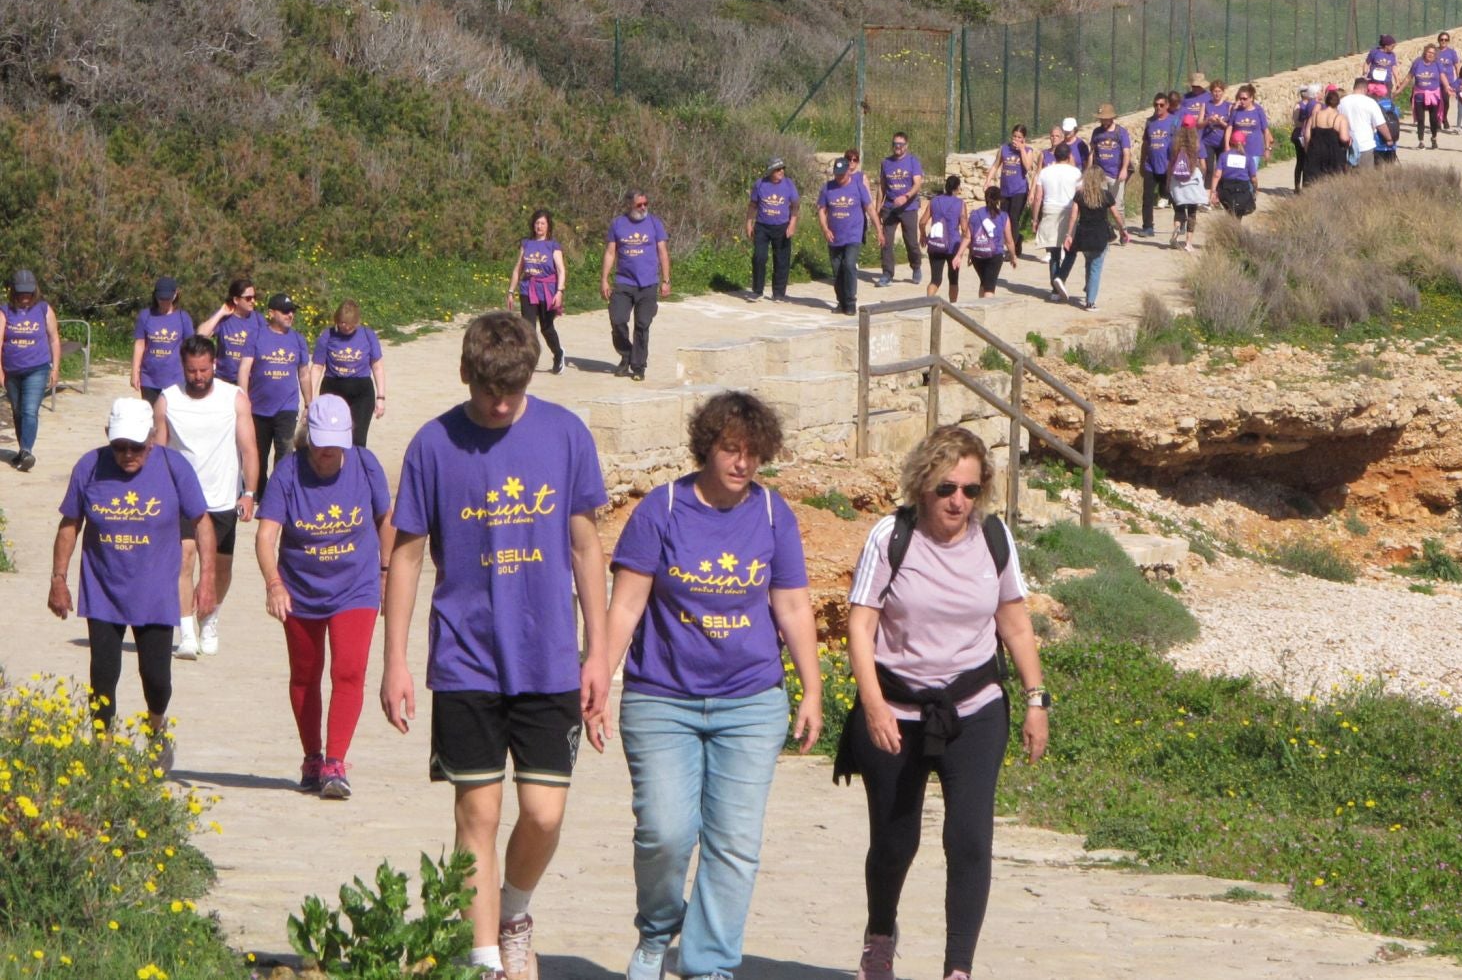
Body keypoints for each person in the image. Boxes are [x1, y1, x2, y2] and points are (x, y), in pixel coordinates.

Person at [381, 312, 611, 980]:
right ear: (467, 375)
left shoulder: (565, 435)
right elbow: (406, 557)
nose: (500, 402)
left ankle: (515, 911)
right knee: (477, 810)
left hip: (547, 657)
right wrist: (394, 661)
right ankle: (483, 960)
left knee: (542, 813)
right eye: (488, 389)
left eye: (511, 388)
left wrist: (598, 652)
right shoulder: (432, 444)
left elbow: (585, 545)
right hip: (465, 657)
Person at [604, 392, 822, 980]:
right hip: (661, 697)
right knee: (664, 832)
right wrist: (596, 676)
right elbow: (625, 605)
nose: (742, 463)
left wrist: (813, 690)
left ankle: (709, 963)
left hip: (751, 701)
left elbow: (794, 607)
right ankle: (656, 933)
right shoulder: (662, 509)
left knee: (734, 844)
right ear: (708, 446)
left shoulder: (774, 515)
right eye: (731, 448)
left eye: (753, 453)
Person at [839, 426, 1047, 980]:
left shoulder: (994, 539)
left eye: (971, 490)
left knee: (970, 839)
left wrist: (1035, 699)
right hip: (896, 713)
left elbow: (1016, 625)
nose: (958, 500)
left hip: (974, 709)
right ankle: (879, 938)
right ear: (922, 484)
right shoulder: (891, 537)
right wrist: (874, 705)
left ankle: (959, 969)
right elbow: (860, 626)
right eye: (946, 487)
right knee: (894, 841)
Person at [50, 397, 213, 771]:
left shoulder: (174, 468)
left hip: (156, 591)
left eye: (136, 447)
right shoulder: (90, 467)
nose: (127, 455)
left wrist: (208, 579)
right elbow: (70, 524)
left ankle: (156, 729)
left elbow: (202, 521)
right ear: (108, 437)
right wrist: (58, 578)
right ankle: (101, 750)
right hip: (103, 587)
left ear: (152, 439)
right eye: (119, 446)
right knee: (102, 674)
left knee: (156, 677)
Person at [256, 393, 394, 800]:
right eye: (321, 445)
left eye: (336, 445)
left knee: (348, 671)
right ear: (309, 439)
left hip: (357, 585)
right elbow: (266, 535)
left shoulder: (366, 465)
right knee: (306, 673)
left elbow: (386, 520)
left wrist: (385, 573)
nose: (328, 454)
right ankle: (312, 756)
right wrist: (273, 583)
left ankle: (336, 762)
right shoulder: (288, 473)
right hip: (300, 589)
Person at [155, 336, 259, 662]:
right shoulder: (168, 400)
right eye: (192, 371)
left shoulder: (234, 399)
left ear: (214, 364)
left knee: (220, 570)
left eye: (203, 370)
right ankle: (186, 631)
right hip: (181, 498)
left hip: (222, 497)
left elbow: (249, 449)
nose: (198, 377)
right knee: (184, 559)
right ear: (183, 368)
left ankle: (209, 619)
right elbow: (159, 452)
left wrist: (250, 493)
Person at [238, 293, 312, 487]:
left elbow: (304, 373)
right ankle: (257, 490)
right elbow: (244, 369)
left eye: (292, 312)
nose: (290, 315)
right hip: (258, 407)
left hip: (286, 407)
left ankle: (280, 490)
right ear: (271, 313)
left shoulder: (298, 339)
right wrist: (243, 398)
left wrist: (309, 403)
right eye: (285, 311)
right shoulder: (257, 335)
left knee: (285, 452)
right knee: (258, 453)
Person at [601, 190, 671, 382]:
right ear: (630, 205)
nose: (643, 207)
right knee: (617, 320)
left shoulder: (655, 223)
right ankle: (626, 354)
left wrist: (666, 280)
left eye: (645, 203)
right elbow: (610, 253)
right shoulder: (618, 224)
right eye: (639, 204)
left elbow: (662, 252)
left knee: (642, 325)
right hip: (624, 282)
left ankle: (638, 366)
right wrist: (604, 279)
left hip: (648, 284)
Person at [3, 269, 59, 472]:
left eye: (28, 292)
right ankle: (22, 450)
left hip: (38, 368)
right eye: (21, 292)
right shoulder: (5, 311)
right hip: (12, 370)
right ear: (14, 292)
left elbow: (54, 339)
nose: (25, 296)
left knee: (29, 410)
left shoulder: (44, 309)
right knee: (18, 412)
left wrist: (56, 368)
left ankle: (27, 450)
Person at [311, 300, 387, 446]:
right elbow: (317, 367)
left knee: (357, 439)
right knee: (332, 438)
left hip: (361, 391)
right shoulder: (327, 335)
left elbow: (377, 366)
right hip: (333, 388)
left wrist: (381, 397)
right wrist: (312, 397)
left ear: (357, 322)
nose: (346, 327)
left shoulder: (368, 335)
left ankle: (356, 467)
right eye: (342, 323)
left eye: (350, 324)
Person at [818, 157, 882, 317]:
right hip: (834, 236)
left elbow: (870, 208)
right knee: (837, 270)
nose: (839, 177)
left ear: (848, 171)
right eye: (837, 174)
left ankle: (851, 302)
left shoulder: (857, 186)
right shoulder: (828, 188)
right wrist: (825, 228)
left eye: (842, 174)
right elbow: (821, 210)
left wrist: (879, 230)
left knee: (849, 265)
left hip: (853, 234)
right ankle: (841, 301)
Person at [1060, 166, 1128, 311]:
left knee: (1089, 264)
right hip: (1100, 235)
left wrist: (1068, 235)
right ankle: (1090, 302)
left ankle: (1089, 290)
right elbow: (1116, 215)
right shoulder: (1106, 195)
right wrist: (1123, 230)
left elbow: (1073, 216)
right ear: (1101, 179)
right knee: (1095, 268)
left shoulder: (1079, 195)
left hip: (1083, 234)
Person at [508, 211, 567, 372]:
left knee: (546, 328)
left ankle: (558, 353)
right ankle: (529, 361)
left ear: (548, 226)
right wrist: (511, 291)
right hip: (528, 288)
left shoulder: (553, 245)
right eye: (537, 223)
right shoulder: (526, 244)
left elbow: (561, 270)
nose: (539, 226)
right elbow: (518, 269)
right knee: (528, 328)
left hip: (548, 290)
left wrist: (559, 291)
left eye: (542, 223)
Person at [1032, 143, 1082, 302]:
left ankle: (1054, 290)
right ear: (1069, 156)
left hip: (1050, 210)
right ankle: (1060, 277)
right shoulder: (1076, 172)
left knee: (1053, 253)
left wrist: (1035, 218)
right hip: (1069, 211)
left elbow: (1038, 197)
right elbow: (1080, 196)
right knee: (1071, 250)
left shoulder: (1044, 172)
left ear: (1055, 156)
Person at [746, 160, 800, 304]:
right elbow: (753, 205)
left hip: (782, 226)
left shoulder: (789, 184)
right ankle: (757, 291)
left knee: (782, 260)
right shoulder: (760, 184)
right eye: (777, 170)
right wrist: (749, 223)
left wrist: (792, 224)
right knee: (759, 257)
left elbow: (795, 206)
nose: (781, 171)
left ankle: (778, 293)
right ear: (771, 171)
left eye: (782, 169)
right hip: (762, 226)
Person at [133, 276, 193, 406]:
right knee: (152, 417)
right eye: (161, 298)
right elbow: (140, 344)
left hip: (175, 378)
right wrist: (135, 371)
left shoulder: (183, 317)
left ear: (175, 294)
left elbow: (190, 347)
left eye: (167, 298)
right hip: (149, 378)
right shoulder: (146, 315)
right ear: (155, 296)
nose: (164, 302)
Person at [877, 133, 926, 288]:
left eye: (901, 144)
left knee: (911, 242)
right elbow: (881, 187)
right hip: (890, 207)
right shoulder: (886, 163)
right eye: (895, 144)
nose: (898, 147)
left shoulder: (913, 162)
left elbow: (917, 183)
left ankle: (916, 266)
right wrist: (878, 207)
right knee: (886, 241)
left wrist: (906, 196)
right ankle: (887, 273)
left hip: (908, 207)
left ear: (906, 145)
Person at [984, 127, 1034, 258]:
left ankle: (1010, 250)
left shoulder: (1028, 150)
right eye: (1014, 136)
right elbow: (996, 165)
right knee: (1004, 218)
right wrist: (988, 181)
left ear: (1024, 139)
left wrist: (1022, 149)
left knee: (1013, 218)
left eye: (1019, 137)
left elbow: (1028, 166)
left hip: (1020, 190)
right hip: (1005, 190)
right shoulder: (1004, 149)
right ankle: (1016, 243)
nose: (1016, 139)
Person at [198, 278, 259, 385]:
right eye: (248, 298)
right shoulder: (225, 318)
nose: (253, 301)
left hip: (249, 380)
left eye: (254, 297)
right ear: (236, 300)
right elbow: (200, 335)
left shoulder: (258, 320)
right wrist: (221, 313)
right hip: (224, 379)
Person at [920, 175, 968, 304]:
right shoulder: (960, 204)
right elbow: (964, 228)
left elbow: (922, 222)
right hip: (953, 245)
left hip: (936, 243)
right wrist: (967, 244)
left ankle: (928, 303)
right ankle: (953, 306)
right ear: (957, 188)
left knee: (935, 279)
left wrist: (923, 236)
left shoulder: (934, 201)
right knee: (953, 279)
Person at [965, 187, 1017, 297]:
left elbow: (970, 237)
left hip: (977, 254)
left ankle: (980, 310)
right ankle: (987, 312)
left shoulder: (975, 214)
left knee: (984, 283)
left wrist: (970, 253)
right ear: (999, 199)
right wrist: (1013, 256)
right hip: (994, 254)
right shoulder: (1003, 216)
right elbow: (1009, 240)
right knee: (989, 289)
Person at [1137, 97, 1175, 237]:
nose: (1158, 107)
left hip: (1168, 165)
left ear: (1167, 105)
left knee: (1174, 195)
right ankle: (1147, 227)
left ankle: (1180, 223)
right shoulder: (1149, 121)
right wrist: (1142, 163)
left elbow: (1179, 142)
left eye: (1161, 105)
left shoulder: (1174, 121)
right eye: (1155, 104)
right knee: (1147, 197)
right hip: (1150, 165)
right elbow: (1145, 143)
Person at [1167, 126, 1207, 253]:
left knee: (1179, 210)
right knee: (1192, 213)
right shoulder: (1198, 144)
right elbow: (1204, 166)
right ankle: (1188, 243)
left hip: (1177, 178)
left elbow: (1170, 162)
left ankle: (1177, 229)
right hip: (1192, 178)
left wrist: (1168, 181)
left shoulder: (1173, 144)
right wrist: (1202, 177)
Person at [1303, 87, 1352, 186]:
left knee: (1313, 183)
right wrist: (1349, 141)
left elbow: (1307, 136)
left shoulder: (1315, 116)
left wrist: (1307, 149)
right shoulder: (1340, 118)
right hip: (1333, 155)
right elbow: (1344, 138)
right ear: (1338, 103)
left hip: (1315, 152)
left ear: (1326, 101)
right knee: (1333, 183)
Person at [1405, 44, 1447, 147]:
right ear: (1425, 52)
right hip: (1419, 95)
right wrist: (1398, 90)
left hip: (1434, 96)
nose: (1430, 55)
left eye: (1433, 53)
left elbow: (1442, 76)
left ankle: (1434, 137)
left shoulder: (1437, 64)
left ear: (1435, 55)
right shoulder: (1417, 62)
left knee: (1433, 119)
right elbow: (1408, 77)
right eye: (1429, 52)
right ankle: (1421, 141)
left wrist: (1447, 87)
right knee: (1420, 119)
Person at [1209, 131, 1257, 221]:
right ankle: (1234, 229)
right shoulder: (1248, 158)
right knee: (1238, 213)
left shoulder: (1224, 156)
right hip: (1243, 189)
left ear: (1230, 142)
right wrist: (1255, 188)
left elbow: (1217, 175)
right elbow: (1253, 178)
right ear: (1244, 143)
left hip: (1226, 189)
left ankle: (1231, 228)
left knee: (1230, 211)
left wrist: (1213, 191)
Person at [1338, 76, 1386, 159]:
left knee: (1348, 172)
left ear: (1354, 87)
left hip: (1347, 145)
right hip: (1365, 145)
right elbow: (1381, 125)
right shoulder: (1370, 102)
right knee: (1366, 171)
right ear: (1365, 89)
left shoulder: (1342, 102)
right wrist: (1389, 139)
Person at [1227, 85, 1268, 176]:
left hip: (1254, 148)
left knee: (1251, 174)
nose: (1242, 101)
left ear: (1251, 98)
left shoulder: (1258, 110)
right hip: (1238, 148)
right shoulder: (1236, 110)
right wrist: (1227, 145)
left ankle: (1251, 190)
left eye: (1244, 99)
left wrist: (1267, 148)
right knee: (1239, 174)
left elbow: (1265, 130)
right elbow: (1229, 127)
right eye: (1240, 98)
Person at [1434, 31, 1462, 132]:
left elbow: (1456, 65)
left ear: (1448, 41)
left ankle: (1444, 117)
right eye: (1442, 39)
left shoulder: (1451, 52)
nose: (1443, 41)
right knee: (1437, 102)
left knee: (1446, 101)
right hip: (1436, 81)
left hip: (1449, 81)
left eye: (1446, 40)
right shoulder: (1435, 51)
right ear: (1438, 40)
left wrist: (1460, 79)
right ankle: (1438, 121)